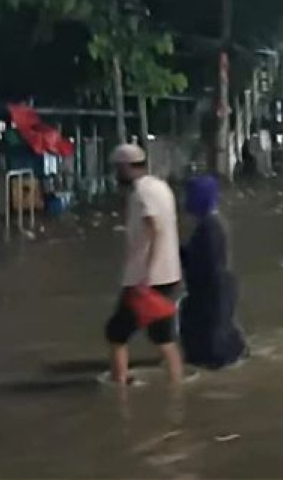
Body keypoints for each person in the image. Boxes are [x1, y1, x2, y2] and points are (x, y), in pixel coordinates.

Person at [104, 143, 184, 386]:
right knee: (164, 337)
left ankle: (119, 385)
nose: (116, 175)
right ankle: (177, 384)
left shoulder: (142, 193)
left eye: (118, 169)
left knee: (116, 333)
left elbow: (153, 227)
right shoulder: (161, 187)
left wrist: (146, 275)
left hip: (145, 280)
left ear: (126, 168)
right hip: (169, 275)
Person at [179, 175, 248, 369]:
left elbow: (205, 263)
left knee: (212, 346)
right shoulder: (209, 225)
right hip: (214, 289)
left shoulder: (210, 228)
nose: (185, 201)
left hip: (212, 290)